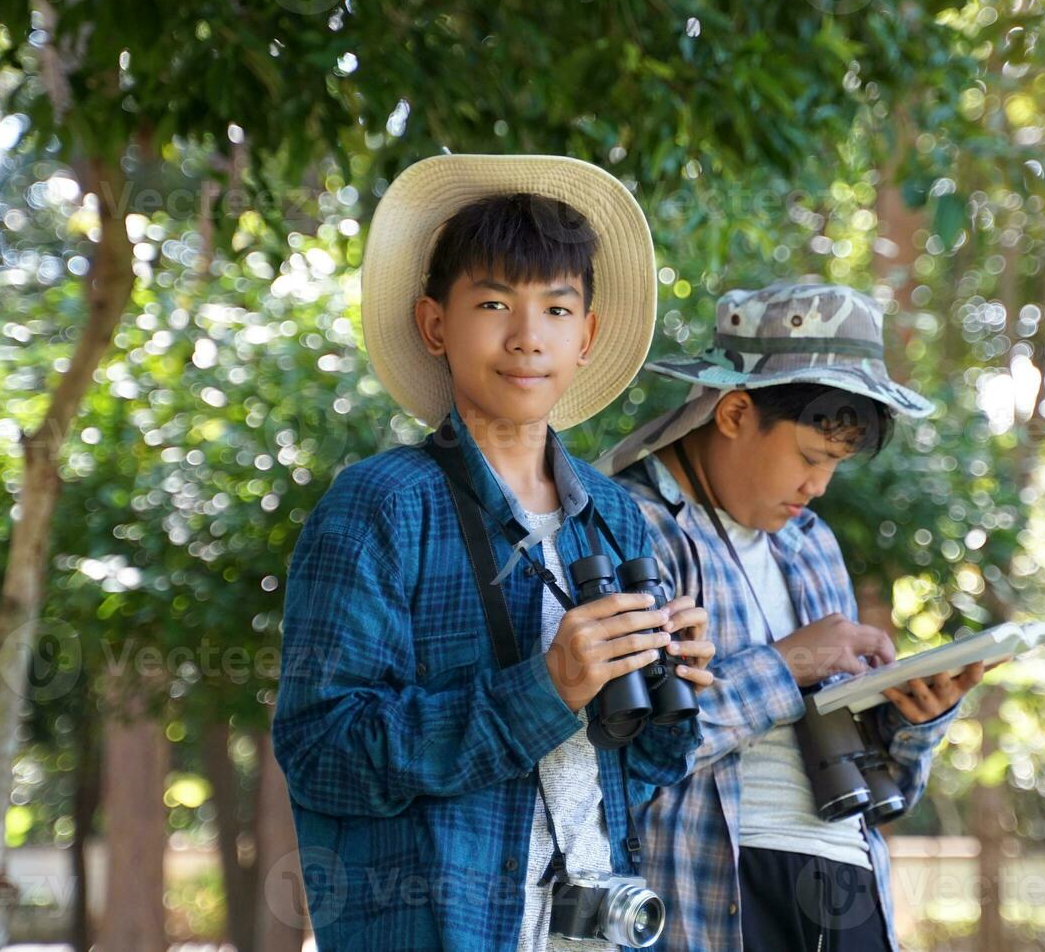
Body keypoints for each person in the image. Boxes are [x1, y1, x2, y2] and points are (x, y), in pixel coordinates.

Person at [273, 154, 715, 951]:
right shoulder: (382, 505)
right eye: (492, 303)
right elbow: (321, 752)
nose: (525, 337)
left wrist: (668, 680)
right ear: (435, 324)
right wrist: (547, 688)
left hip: (599, 928)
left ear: (587, 336)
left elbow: (631, 774)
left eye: (555, 309)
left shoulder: (614, 514)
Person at [598, 281, 988, 951]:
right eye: (809, 458)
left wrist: (915, 720)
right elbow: (627, 752)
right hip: (719, 891)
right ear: (734, 412)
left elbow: (884, 793)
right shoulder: (631, 526)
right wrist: (788, 665)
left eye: (834, 464)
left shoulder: (811, 545)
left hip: (846, 886)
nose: (818, 488)